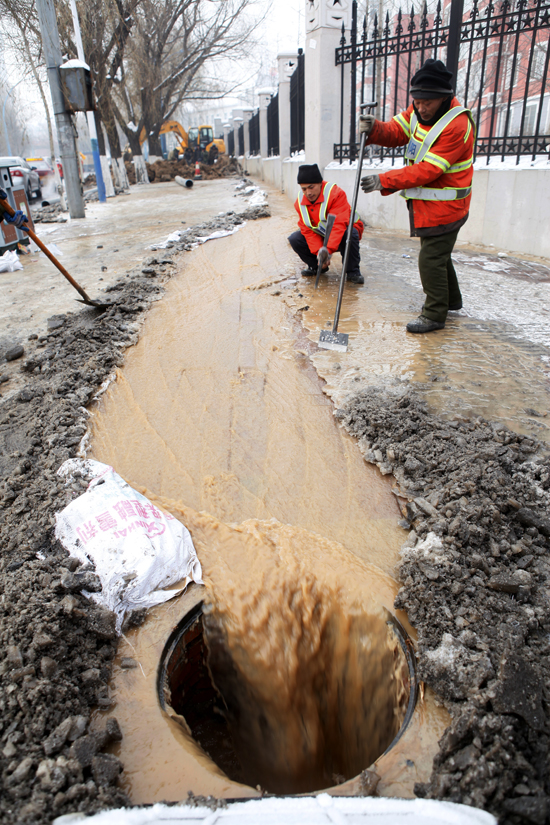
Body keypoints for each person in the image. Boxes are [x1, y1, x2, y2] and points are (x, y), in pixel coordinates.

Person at [359, 59, 475, 333]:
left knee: (430, 258)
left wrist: (384, 180)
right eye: (417, 101)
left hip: (448, 205)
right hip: (426, 204)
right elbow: (397, 131)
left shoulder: (457, 125)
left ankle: (434, 314)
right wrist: (375, 128)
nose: (420, 108)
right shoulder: (417, 108)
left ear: (444, 97)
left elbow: (428, 171)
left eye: (427, 102)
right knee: (438, 255)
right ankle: (451, 301)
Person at [288, 163, 364, 284]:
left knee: (350, 233)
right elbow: (307, 231)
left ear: (320, 183)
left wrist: (328, 251)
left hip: (344, 231)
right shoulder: (300, 203)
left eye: (311, 187)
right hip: (321, 233)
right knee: (295, 239)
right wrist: (320, 253)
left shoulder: (336, 194)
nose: (308, 193)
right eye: (304, 189)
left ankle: (352, 271)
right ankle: (316, 266)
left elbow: (338, 225)